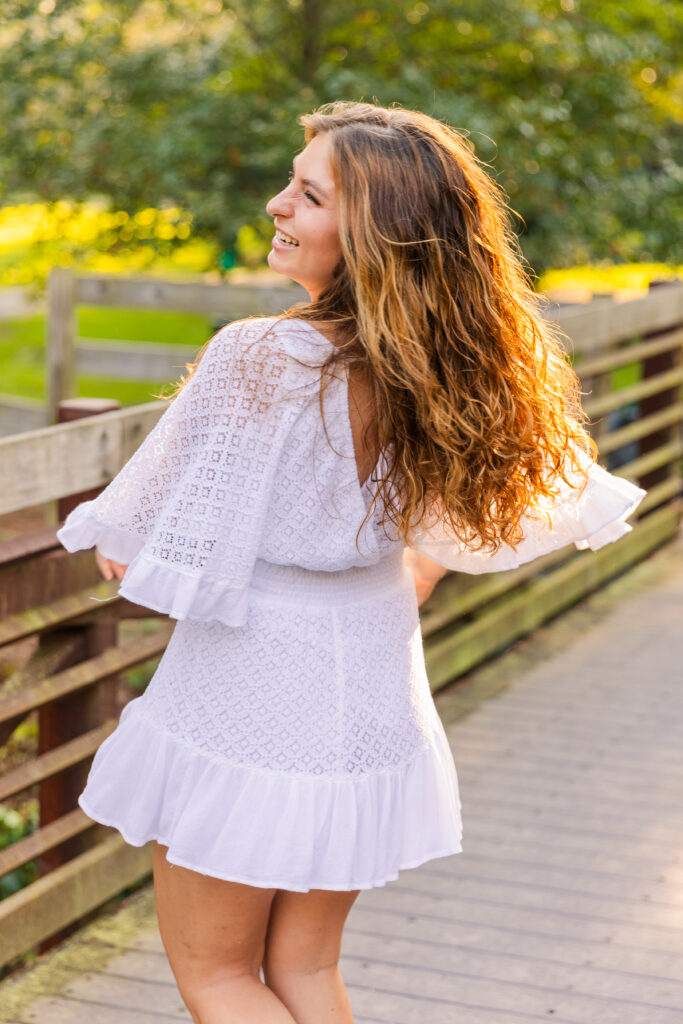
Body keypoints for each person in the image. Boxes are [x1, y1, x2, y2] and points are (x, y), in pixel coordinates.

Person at [56, 101, 646, 1024]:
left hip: (251, 694)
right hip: (371, 688)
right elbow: (452, 538)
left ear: (375, 230)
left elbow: (128, 547)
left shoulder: (261, 355)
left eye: (308, 194)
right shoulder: (453, 369)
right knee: (304, 970)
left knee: (219, 978)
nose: (275, 204)